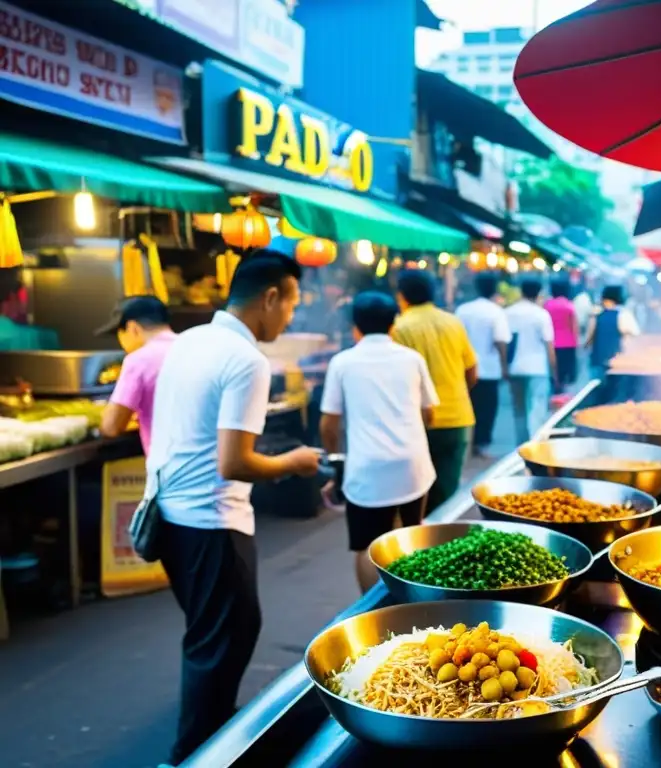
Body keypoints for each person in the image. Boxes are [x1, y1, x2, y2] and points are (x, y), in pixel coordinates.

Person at [148, 251, 321, 765]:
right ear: (270, 297)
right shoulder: (247, 360)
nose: (291, 317)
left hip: (172, 514)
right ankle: (194, 754)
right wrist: (293, 460)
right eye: (291, 304)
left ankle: (211, 732)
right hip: (211, 521)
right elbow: (234, 462)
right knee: (223, 640)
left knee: (214, 636)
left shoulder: (191, 340)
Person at [319, 291, 439, 592]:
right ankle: (413, 600)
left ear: (354, 326)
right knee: (412, 535)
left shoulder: (343, 362)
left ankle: (372, 609)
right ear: (393, 324)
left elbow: (328, 425)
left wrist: (335, 459)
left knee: (366, 546)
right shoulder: (412, 359)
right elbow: (430, 413)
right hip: (413, 463)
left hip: (366, 469)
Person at [392, 269, 477, 512]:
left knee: (416, 494)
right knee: (447, 493)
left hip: (417, 420)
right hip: (458, 418)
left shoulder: (399, 328)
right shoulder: (453, 322)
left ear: (402, 296)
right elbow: (472, 370)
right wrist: (458, 392)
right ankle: (444, 541)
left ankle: (422, 542)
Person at [98, 296, 176, 454]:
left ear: (132, 328)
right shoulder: (194, 347)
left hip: (171, 469)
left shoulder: (139, 360)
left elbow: (111, 426)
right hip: (213, 467)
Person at [455, 272, 511, 457]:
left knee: (468, 405)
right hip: (489, 369)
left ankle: (467, 442)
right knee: (487, 408)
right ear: (494, 289)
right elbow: (500, 341)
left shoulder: (463, 310)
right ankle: (481, 444)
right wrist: (504, 367)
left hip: (464, 368)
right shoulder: (496, 312)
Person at [506, 277, 556, 444]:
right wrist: (554, 371)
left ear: (521, 292)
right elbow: (549, 345)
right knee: (536, 409)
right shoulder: (541, 314)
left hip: (515, 367)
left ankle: (520, 447)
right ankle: (534, 446)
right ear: (539, 293)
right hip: (538, 369)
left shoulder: (509, 312)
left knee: (518, 410)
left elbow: (505, 342)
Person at [584, 285, 640, 390]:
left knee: (597, 390)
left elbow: (588, 340)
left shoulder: (596, 315)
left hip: (598, 359)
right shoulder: (623, 315)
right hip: (617, 362)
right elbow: (634, 334)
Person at [545, 277, 579, 393]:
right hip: (568, 342)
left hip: (552, 342)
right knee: (565, 369)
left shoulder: (547, 305)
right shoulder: (569, 305)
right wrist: (576, 341)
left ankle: (555, 387)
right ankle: (563, 391)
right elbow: (574, 325)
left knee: (554, 368)